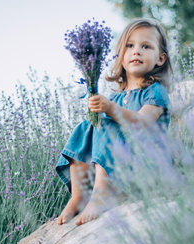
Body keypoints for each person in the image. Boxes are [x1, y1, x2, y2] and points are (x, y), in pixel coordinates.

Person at [55, 18, 173, 226]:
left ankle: (102, 195)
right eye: (130, 46)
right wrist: (103, 109)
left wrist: (111, 109)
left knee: (110, 123)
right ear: (120, 56)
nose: (136, 51)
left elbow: (142, 122)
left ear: (160, 59)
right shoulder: (116, 97)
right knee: (86, 127)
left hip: (147, 166)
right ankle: (79, 195)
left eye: (145, 46)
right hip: (121, 167)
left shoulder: (155, 92)